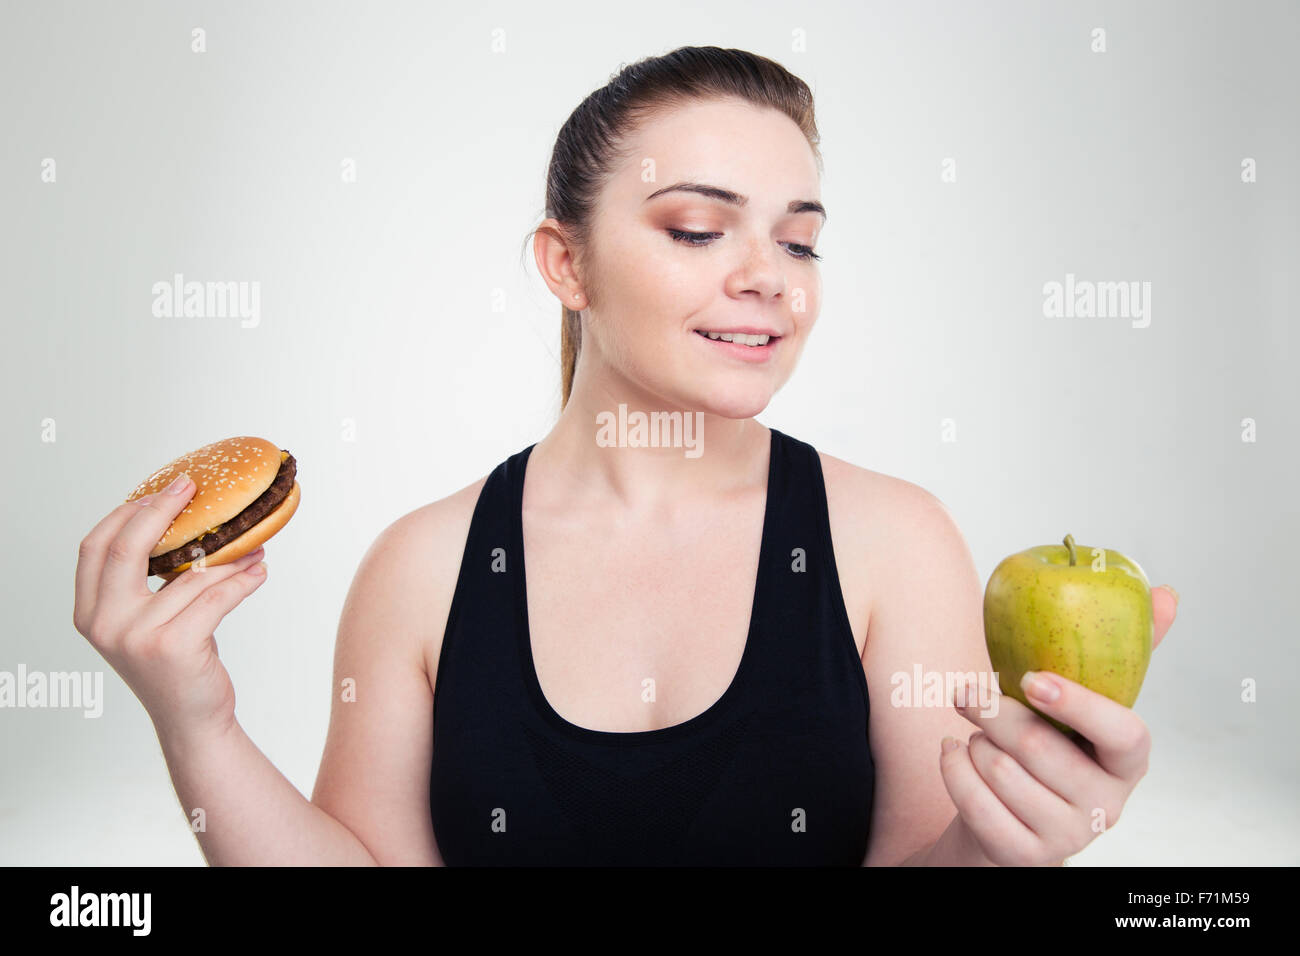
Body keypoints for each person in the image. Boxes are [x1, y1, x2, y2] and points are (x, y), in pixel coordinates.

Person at [73, 46, 1179, 866]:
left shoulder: (893, 541)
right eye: (699, 228)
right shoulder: (423, 566)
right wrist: (195, 719)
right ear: (566, 263)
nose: (770, 276)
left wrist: (1000, 844)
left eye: (798, 237)